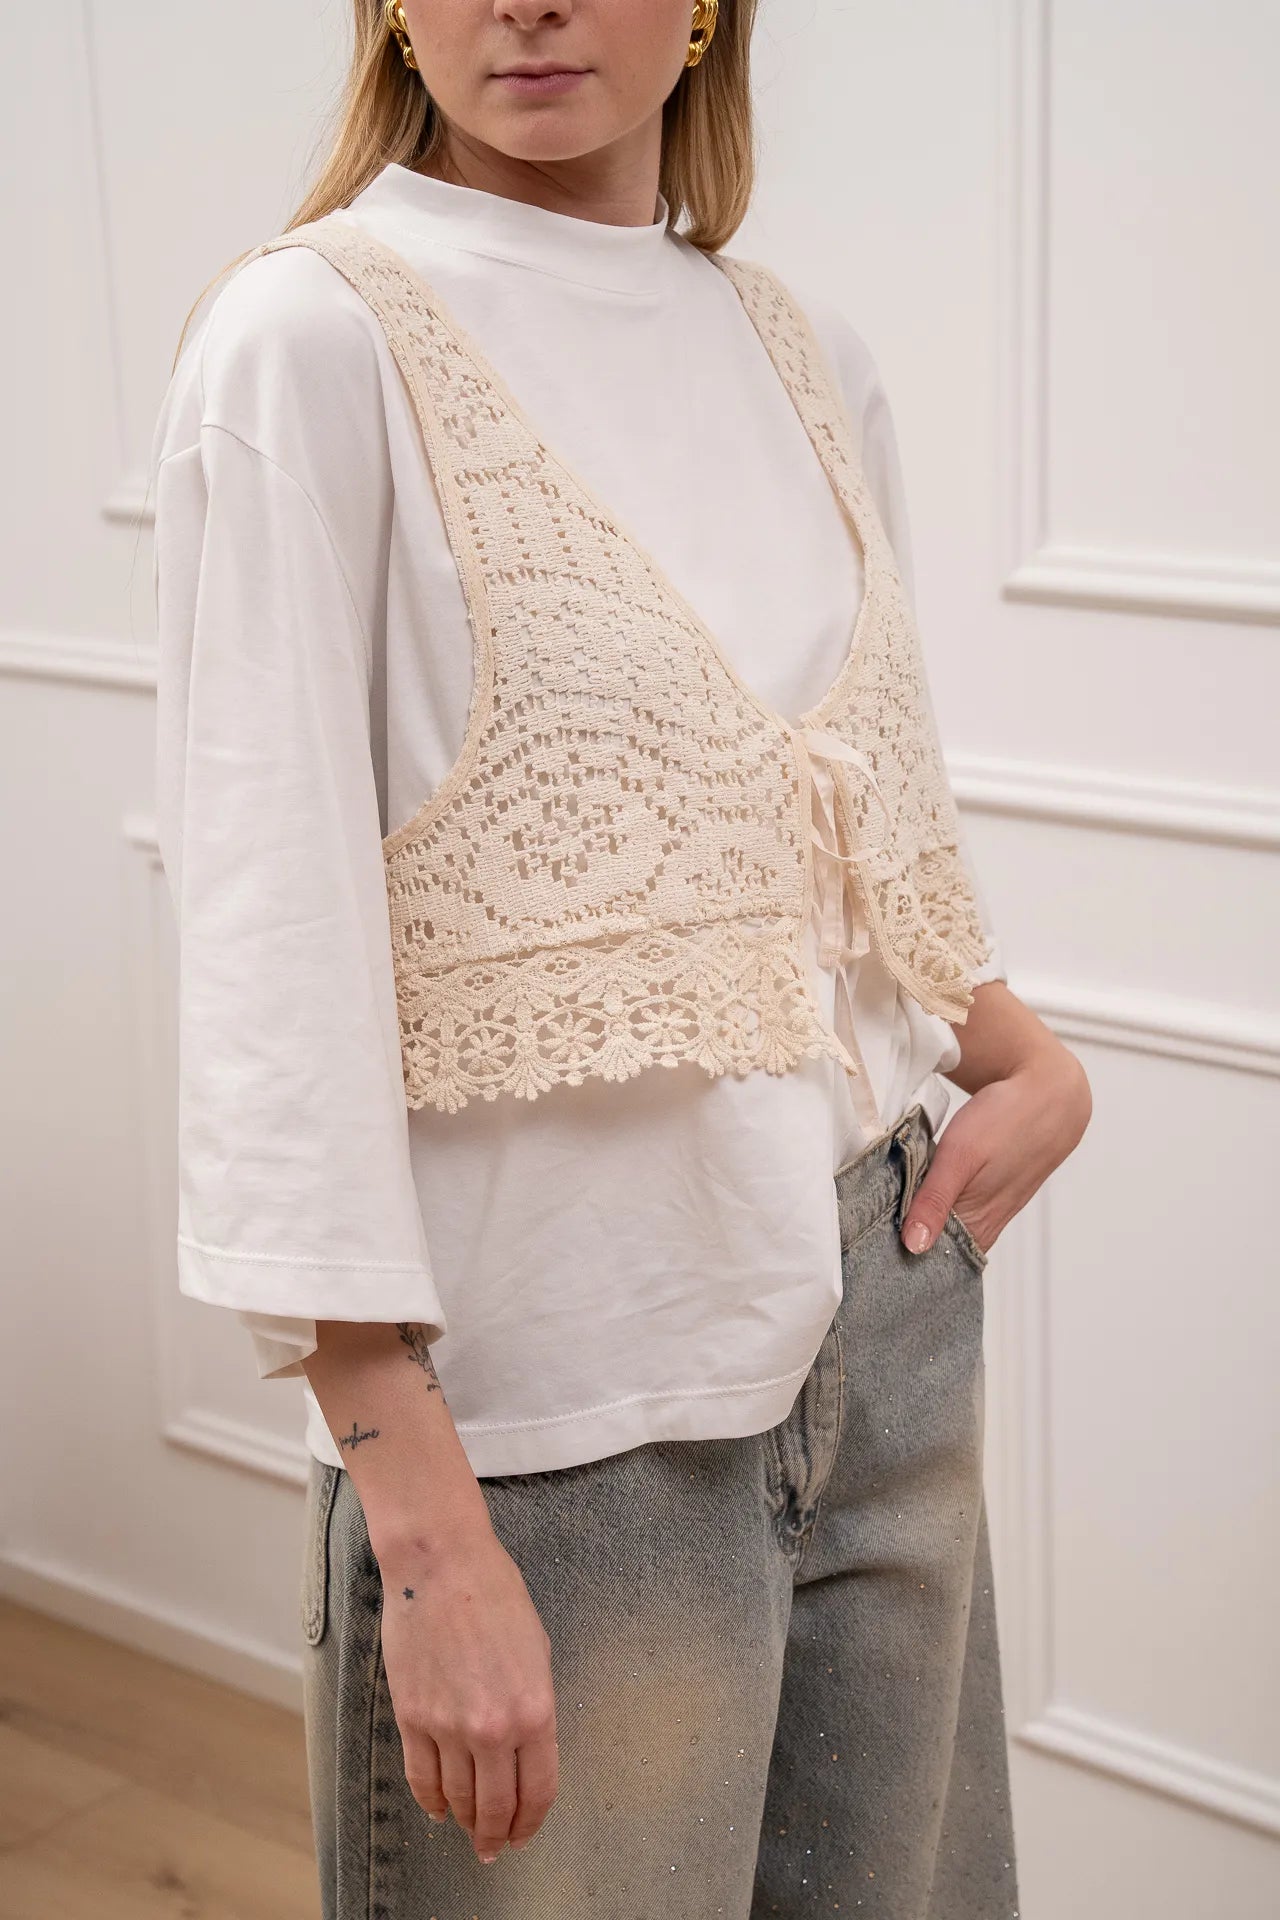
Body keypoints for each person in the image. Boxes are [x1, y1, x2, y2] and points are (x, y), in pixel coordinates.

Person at [150, 2, 1088, 1913]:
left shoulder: (804, 352)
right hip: (553, 1421)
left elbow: (832, 819)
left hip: (886, 1323)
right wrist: (424, 1533)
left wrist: (1021, 1051)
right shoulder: (311, 341)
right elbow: (267, 961)